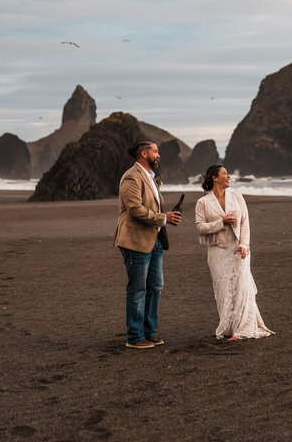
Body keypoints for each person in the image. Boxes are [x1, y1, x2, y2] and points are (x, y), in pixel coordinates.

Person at [114, 139, 181, 349]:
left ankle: (149, 332)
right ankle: (134, 337)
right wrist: (164, 218)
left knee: (155, 288)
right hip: (135, 241)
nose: (158, 155)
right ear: (144, 154)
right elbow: (134, 209)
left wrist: (166, 218)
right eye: (155, 151)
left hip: (155, 240)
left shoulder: (152, 178)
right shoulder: (131, 177)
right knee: (138, 290)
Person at [195, 165, 274, 341]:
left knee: (243, 287)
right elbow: (201, 227)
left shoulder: (237, 197)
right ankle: (228, 327)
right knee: (223, 290)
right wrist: (221, 222)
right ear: (215, 178)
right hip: (217, 250)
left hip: (238, 249)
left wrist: (244, 245)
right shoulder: (203, 203)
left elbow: (245, 223)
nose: (229, 176)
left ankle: (244, 330)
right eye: (225, 173)